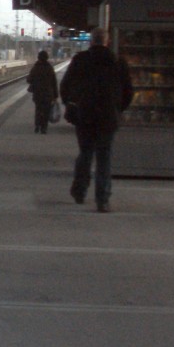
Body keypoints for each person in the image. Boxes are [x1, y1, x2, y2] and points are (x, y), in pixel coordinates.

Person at [59, 27, 134, 212]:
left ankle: (79, 191)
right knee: (104, 157)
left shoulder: (80, 60)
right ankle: (103, 199)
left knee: (85, 153)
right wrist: (117, 108)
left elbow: (65, 85)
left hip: (84, 115)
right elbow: (128, 92)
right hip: (108, 117)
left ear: (91, 41)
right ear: (107, 41)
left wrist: (71, 104)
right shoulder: (118, 62)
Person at [27, 50, 59, 133]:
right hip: (48, 93)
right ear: (47, 58)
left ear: (38, 58)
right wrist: (55, 95)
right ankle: (44, 128)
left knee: (38, 109)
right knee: (46, 111)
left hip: (37, 93)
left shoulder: (35, 67)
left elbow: (29, 79)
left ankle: (37, 125)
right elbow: (54, 82)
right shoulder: (50, 68)